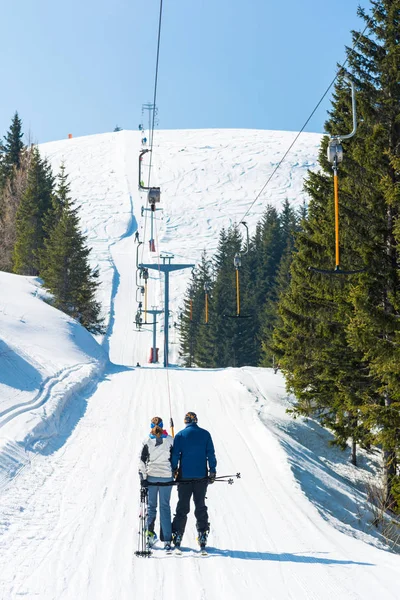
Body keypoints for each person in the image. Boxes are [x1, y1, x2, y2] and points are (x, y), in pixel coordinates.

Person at [171, 412, 216, 550]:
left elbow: (175, 455)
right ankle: (202, 535)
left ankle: (178, 534)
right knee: (200, 506)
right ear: (196, 420)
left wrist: (174, 470)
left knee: (182, 507)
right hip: (201, 477)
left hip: (184, 477)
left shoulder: (179, 435)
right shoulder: (206, 434)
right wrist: (212, 470)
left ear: (185, 421)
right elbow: (210, 454)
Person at [139, 417, 174, 552]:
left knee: (151, 507)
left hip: (152, 477)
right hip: (166, 478)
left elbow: (142, 461)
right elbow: (175, 457)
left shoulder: (147, 441)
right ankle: (167, 540)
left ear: (151, 426)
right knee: (165, 507)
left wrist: (143, 477)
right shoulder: (170, 440)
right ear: (162, 425)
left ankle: (149, 536)